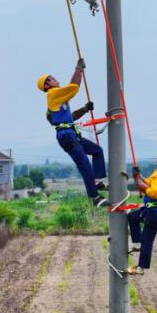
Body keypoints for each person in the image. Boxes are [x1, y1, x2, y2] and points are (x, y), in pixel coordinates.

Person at [38, 59, 108, 207]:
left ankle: (96, 181)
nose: (54, 78)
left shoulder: (58, 97)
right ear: (46, 85)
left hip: (71, 134)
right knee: (85, 166)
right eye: (50, 78)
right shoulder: (53, 94)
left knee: (97, 151)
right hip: (66, 136)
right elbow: (74, 87)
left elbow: (71, 117)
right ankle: (94, 197)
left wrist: (85, 109)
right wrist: (79, 69)